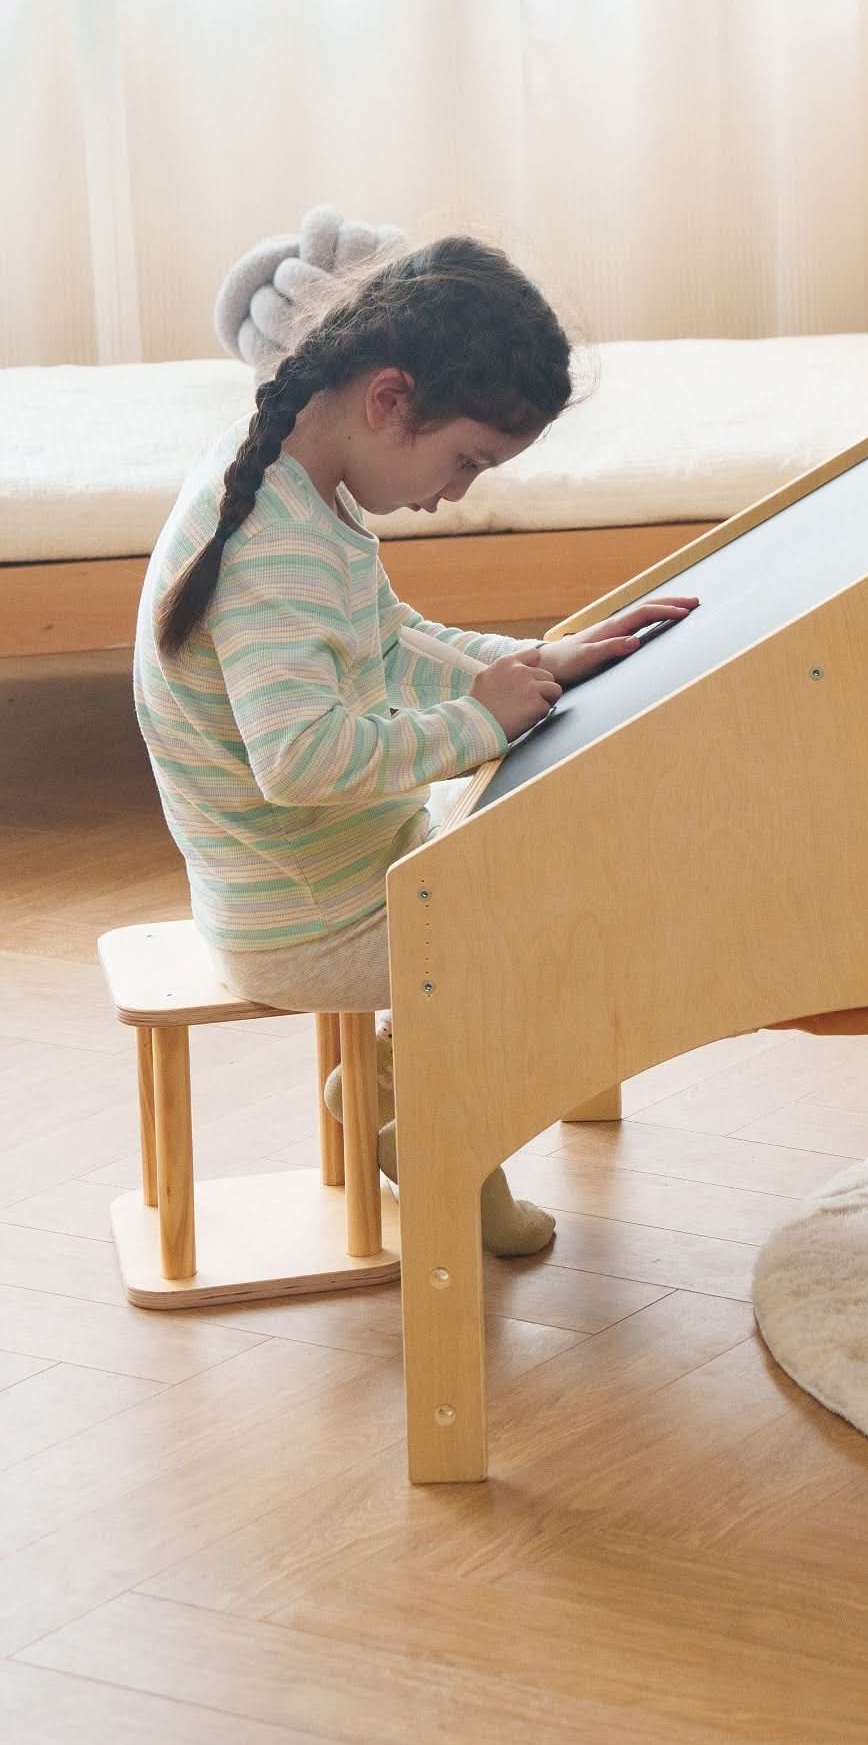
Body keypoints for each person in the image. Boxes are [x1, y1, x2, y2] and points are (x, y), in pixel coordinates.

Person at [135, 238, 692, 1258]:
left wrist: (539, 660)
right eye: (467, 459)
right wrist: (479, 722)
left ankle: (405, 1089)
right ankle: (417, 1114)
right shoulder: (278, 544)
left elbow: (387, 642)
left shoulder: (301, 486)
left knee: (565, 861)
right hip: (306, 919)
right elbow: (297, 760)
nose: (461, 491)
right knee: (569, 930)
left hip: (333, 868)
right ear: (390, 401)